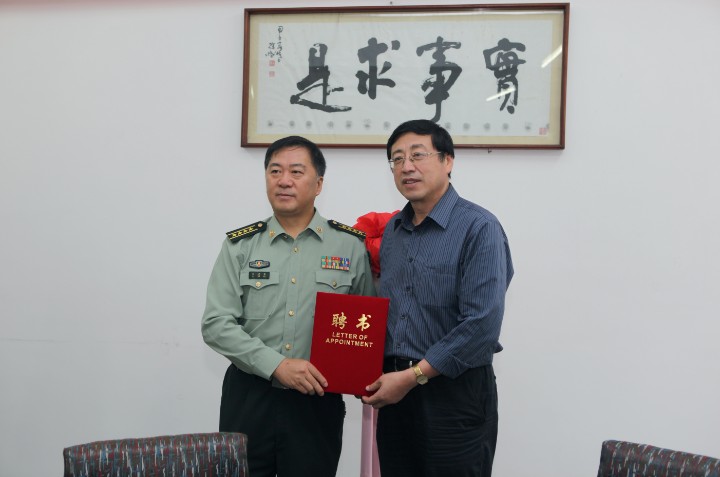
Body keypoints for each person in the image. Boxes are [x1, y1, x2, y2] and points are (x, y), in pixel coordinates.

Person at [202, 135, 375, 477]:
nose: (284, 180)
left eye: (296, 171)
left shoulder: (350, 246)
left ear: (318, 184)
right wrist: (277, 365)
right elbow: (216, 324)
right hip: (250, 395)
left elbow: (365, 325)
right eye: (275, 171)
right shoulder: (240, 246)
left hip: (317, 399)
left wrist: (362, 375)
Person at [362, 120, 514, 477]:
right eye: (397, 159)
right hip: (397, 392)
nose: (406, 167)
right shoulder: (394, 232)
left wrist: (413, 376)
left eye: (418, 155)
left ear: (448, 161)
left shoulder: (479, 227)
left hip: (454, 393)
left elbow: (481, 325)